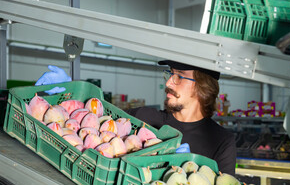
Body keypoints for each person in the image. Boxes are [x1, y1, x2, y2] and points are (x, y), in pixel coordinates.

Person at [36, 61, 237, 175]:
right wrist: (74, 93)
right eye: (169, 73)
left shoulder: (221, 141)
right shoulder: (144, 118)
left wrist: (193, 169)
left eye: (179, 76)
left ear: (203, 88)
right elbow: (96, 120)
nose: (168, 82)